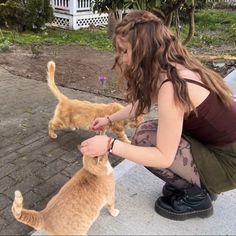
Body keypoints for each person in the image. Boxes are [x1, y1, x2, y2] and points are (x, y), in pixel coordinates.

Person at [79, 10, 236, 221]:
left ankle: (198, 197)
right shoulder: (173, 67)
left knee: (145, 141)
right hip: (221, 146)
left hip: (229, 162)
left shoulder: (172, 87)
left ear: (144, 50)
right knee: (147, 131)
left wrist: (110, 145)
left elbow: (163, 157)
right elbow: (142, 104)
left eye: (125, 51)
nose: (123, 60)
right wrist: (109, 120)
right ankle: (198, 184)